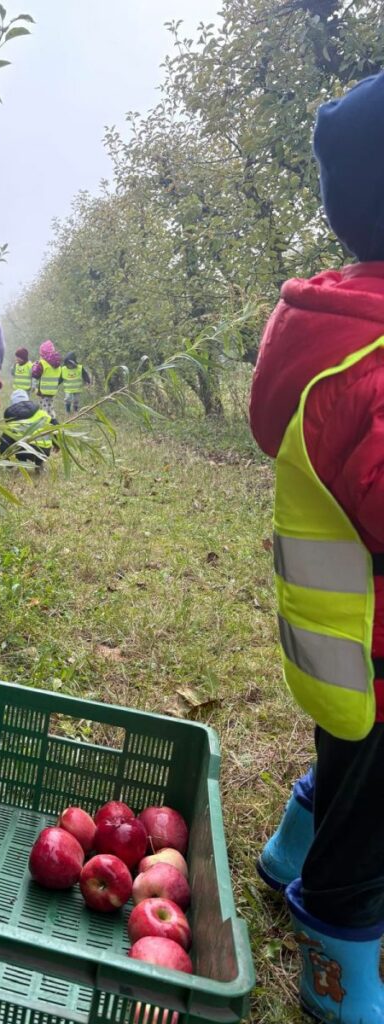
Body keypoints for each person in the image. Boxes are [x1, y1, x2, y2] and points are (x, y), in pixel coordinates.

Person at [251, 71, 384, 1023]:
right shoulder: (370, 367)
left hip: (343, 641)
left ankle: (291, 850)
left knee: (351, 760)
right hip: (376, 649)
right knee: (372, 835)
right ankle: (338, 978)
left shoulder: (334, 335)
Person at [0, 389, 56, 469]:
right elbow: (55, 426)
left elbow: (4, 441)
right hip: (43, 450)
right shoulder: (42, 413)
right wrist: (57, 444)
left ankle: (23, 464)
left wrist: (6, 461)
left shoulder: (12, 419)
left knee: (15, 441)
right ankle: (39, 464)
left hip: (24, 451)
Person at [31, 340, 62, 414]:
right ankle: (50, 421)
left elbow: (35, 374)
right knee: (49, 406)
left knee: (46, 409)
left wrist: (35, 366)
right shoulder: (57, 363)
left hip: (44, 389)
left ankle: (50, 422)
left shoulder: (43, 363)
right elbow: (60, 377)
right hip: (52, 389)